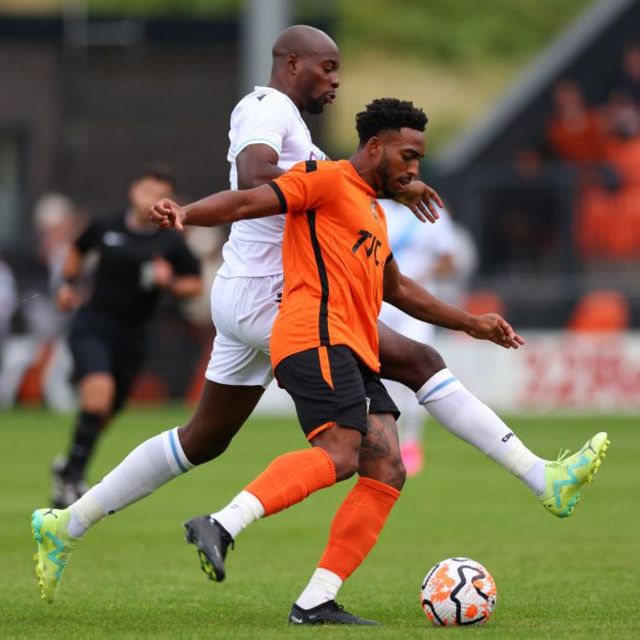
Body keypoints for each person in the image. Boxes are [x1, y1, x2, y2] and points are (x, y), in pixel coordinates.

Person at [31, 27, 607, 621]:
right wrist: (325, 185)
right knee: (405, 374)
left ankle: (67, 524)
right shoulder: (267, 106)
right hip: (275, 294)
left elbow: (385, 271)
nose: (335, 81)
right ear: (291, 62)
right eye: (326, 68)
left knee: (208, 439)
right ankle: (542, 477)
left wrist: (371, 185)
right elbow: (257, 183)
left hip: (255, 291)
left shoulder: (319, 153)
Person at [50, 166, 202, 507]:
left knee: (105, 412)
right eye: (147, 189)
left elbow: (194, 284)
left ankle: (68, 468)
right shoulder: (107, 226)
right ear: (134, 190)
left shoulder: (170, 241)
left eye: (160, 194)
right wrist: (67, 286)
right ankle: (73, 478)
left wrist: (170, 283)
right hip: (94, 324)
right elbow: (77, 250)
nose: (150, 198)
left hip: (134, 336)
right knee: (98, 396)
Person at [378, 198, 457, 476]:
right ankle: (386, 443)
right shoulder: (373, 207)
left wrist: (423, 274)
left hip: (414, 305)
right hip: (378, 302)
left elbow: (449, 260)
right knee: (380, 379)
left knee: (418, 374)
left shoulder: (432, 212)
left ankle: (411, 443)